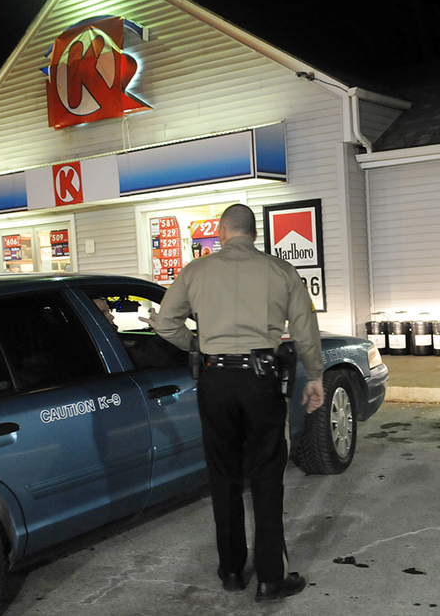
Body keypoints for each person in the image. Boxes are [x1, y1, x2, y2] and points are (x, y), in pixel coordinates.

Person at [151, 203, 324, 600]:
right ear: (255, 234)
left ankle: (230, 570)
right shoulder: (280, 270)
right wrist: (314, 376)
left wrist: (197, 344)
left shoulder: (196, 270)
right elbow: (304, 328)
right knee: (266, 475)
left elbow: (165, 322)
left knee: (223, 475)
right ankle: (269, 578)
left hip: (214, 379)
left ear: (221, 231)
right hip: (261, 379)